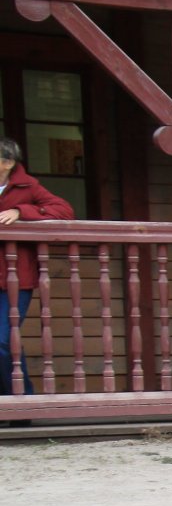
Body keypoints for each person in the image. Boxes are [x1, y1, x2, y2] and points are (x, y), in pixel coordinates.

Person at [0, 137, 75, 396]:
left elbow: (64, 210)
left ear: (7, 163)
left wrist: (21, 212)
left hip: (15, 278)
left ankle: (22, 399)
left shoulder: (27, 186)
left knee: (3, 340)